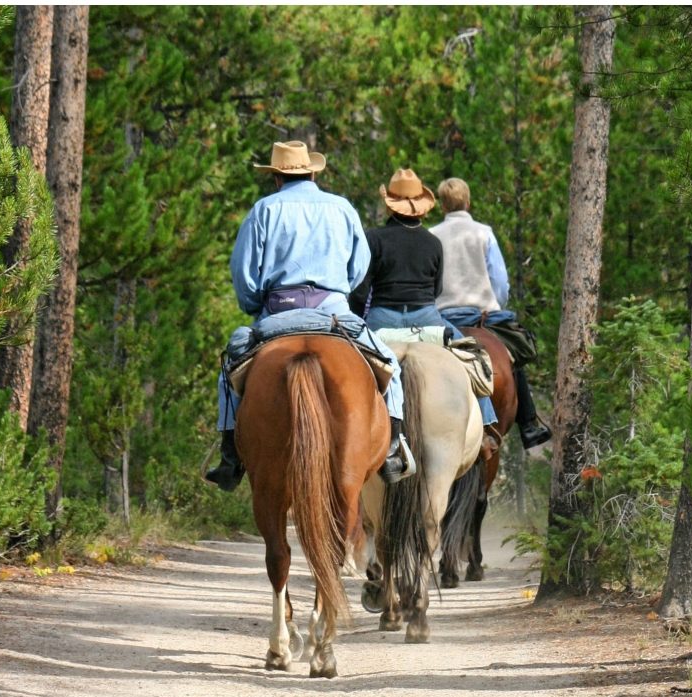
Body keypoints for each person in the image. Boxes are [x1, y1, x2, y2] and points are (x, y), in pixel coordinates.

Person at [205, 141, 411, 491]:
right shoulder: (341, 208)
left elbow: (244, 276)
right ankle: (393, 448)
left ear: (276, 178)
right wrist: (336, 292)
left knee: (231, 369)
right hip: (333, 314)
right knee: (390, 361)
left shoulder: (263, 210)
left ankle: (231, 457)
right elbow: (359, 268)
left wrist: (257, 304)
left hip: (277, 314)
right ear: (313, 172)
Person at [349, 169, 501, 457]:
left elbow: (360, 291)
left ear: (389, 204)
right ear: (421, 205)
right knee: (468, 354)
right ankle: (487, 424)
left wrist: (357, 317)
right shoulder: (433, 242)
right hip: (425, 319)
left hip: (382, 319)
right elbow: (436, 291)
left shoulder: (375, 239)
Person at [429, 177, 552, 456]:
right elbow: (499, 281)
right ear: (468, 202)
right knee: (512, 356)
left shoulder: (432, 235)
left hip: (443, 317)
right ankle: (529, 424)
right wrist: (496, 303)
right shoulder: (483, 233)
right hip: (483, 314)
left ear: (442, 206)